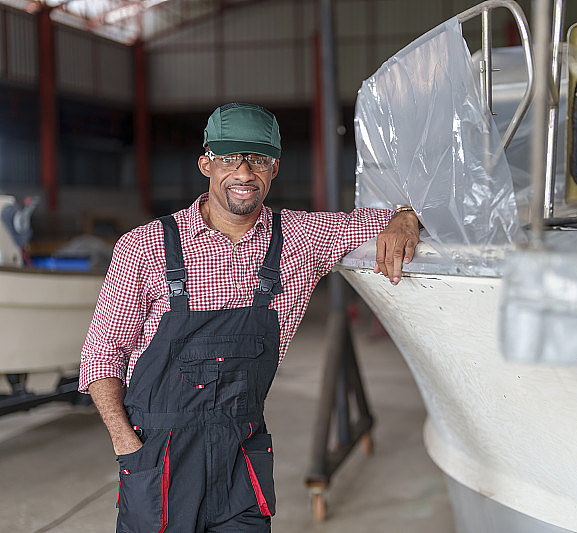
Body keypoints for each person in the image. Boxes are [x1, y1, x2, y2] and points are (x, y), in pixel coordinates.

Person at [79, 102, 420, 532]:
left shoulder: (302, 237)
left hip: (240, 456)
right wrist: (125, 443)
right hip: (157, 458)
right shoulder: (145, 247)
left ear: (274, 168)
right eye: (229, 159)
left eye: (257, 159)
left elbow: (388, 220)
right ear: (206, 163)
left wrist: (406, 217)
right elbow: (101, 354)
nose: (243, 173)